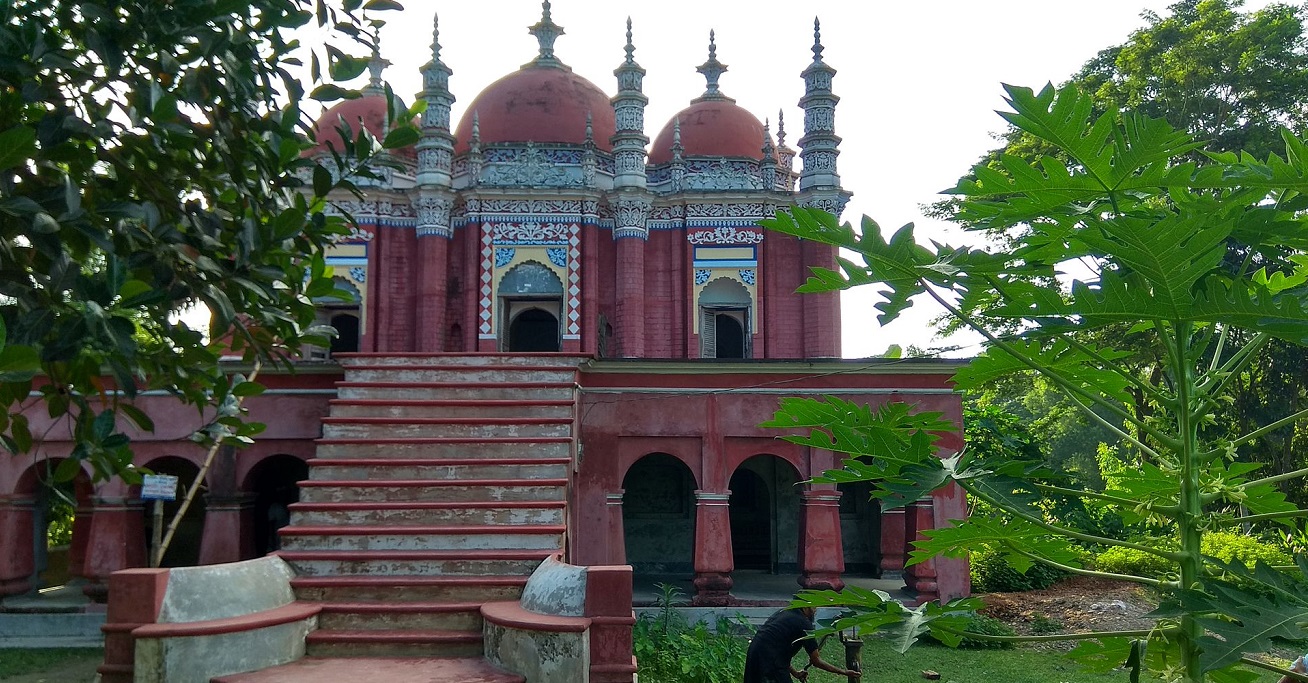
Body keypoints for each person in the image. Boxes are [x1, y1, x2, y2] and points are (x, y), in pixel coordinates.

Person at [744, 605, 860, 682]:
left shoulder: (785, 612)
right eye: (813, 608)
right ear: (805, 606)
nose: (815, 611)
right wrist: (844, 672)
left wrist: (795, 673)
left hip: (754, 653)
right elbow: (816, 661)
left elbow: (776, 649)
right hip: (769, 661)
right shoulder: (803, 623)